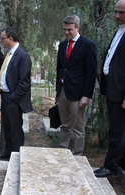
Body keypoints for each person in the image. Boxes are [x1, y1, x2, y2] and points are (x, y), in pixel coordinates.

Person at [56, 15, 97, 156]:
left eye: (69, 30)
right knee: (65, 124)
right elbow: (60, 69)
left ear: (77, 27)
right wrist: (57, 91)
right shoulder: (62, 45)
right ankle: (62, 150)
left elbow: (91, 73)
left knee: (78, 127)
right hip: (62, 91)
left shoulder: (88, 45)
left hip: (78, 93)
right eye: (64, 30)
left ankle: (78, 154)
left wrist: (87, 95)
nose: (66, 32)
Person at [94, 0, 125, 177]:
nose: (117, 16)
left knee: (117, 131)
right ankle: (119, 161)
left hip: (121, 92)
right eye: (115, 12)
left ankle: (111, 166)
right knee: (116, 127)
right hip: (113, 89)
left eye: (121, 12)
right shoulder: (119, 31)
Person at [0, 26, 33, 159]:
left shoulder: (22, 56)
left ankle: (17, 154)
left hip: (13, 99)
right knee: (7, 126)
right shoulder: (10, 54)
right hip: (5, 96)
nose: (0, 41)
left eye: (2, 38)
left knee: (15, 128)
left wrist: (14, 98)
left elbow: (24, 81)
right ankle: (8, 152)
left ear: (10, 39)